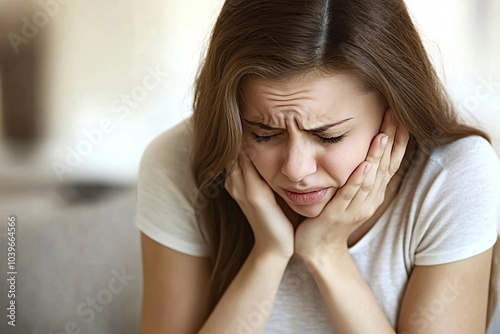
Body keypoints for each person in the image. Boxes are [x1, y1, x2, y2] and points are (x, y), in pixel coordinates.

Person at [135, 0, 500, 333]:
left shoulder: (453, 176)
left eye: (329, 137)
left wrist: (327, 253)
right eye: (264, 134)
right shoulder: (176, 162)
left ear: (396, 115)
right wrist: (268, 254)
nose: (296, 169)